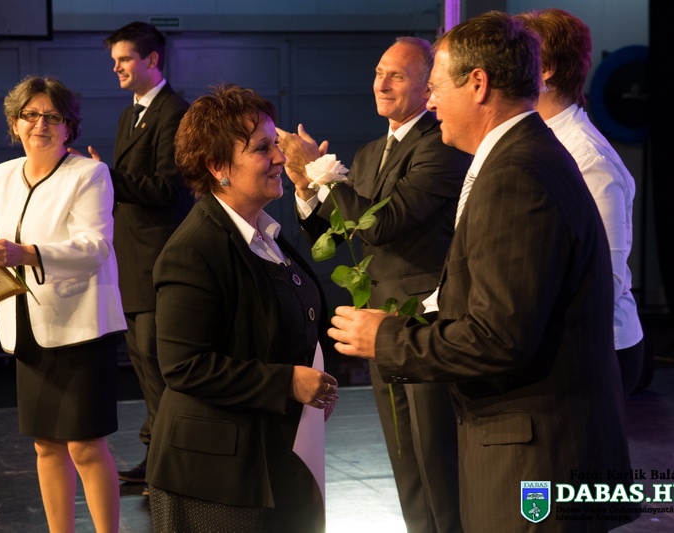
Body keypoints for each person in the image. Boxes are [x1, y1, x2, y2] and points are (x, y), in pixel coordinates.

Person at [328, 12, 637, 532]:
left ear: (478, 84)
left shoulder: (516, 172)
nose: (430, 104)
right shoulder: (521, 155)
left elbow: (499, 338)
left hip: (532, 454)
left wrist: (387, 338)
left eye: (435, 88)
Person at [278, 36, 471, 533]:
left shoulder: (440, 147)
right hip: (378, 326)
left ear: (427, 87)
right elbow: (337, 238)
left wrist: (319, 169)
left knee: (436, 461)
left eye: (397, 76)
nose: (381, 84)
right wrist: (305, 188)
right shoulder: (368, 155)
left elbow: (382, 225)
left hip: (423, 323)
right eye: (379, 72)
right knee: (405, 461)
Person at [146, 84, 337, 533]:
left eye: (276, 144)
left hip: (274, 456)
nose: (280, 158)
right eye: (262, 148)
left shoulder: (265, 236)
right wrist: (288, 382)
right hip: (216, 479)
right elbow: (184, 366)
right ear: (218, 168)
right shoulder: (193, 249)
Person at [0, 75, 126, 533]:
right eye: (31, 115)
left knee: (85, 446)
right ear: (14, 123)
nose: (41, 124)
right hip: (26, 324)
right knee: (45, 444)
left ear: (69, 127)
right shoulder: (0, 175)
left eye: (53, 117)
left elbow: (95, 247)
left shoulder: (89, 174)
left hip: (80, 327)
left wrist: (26, 253)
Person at [72, 21, 193, 485]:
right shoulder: (131, 114)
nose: (116, 68)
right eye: (115, 61)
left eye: (124, 59)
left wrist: (104, 177)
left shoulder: (175, 113)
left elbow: (169, 189)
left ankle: (171, 459)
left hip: (158, 260)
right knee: (144, 363)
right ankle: (159, 454)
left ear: (152, 60)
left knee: (160, 361)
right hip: (131, 260)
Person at [516, 8, 645, 397]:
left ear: (545, 70)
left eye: (517, 56)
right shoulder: (539, 139)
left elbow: (607, 277)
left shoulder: (588, 158)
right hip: (560, 342)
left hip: (597, 348)